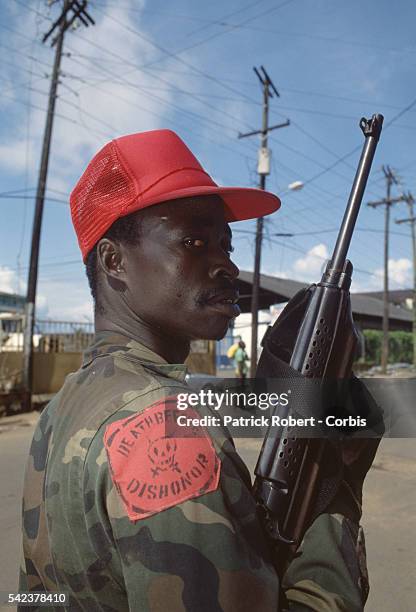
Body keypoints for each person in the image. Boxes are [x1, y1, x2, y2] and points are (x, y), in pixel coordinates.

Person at [20, 129, 373, 611]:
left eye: (225, 245)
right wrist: (336, 491)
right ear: (114, 260)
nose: (225, 265)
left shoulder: (66, 404)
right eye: (194, 241)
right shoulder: (167, 429)